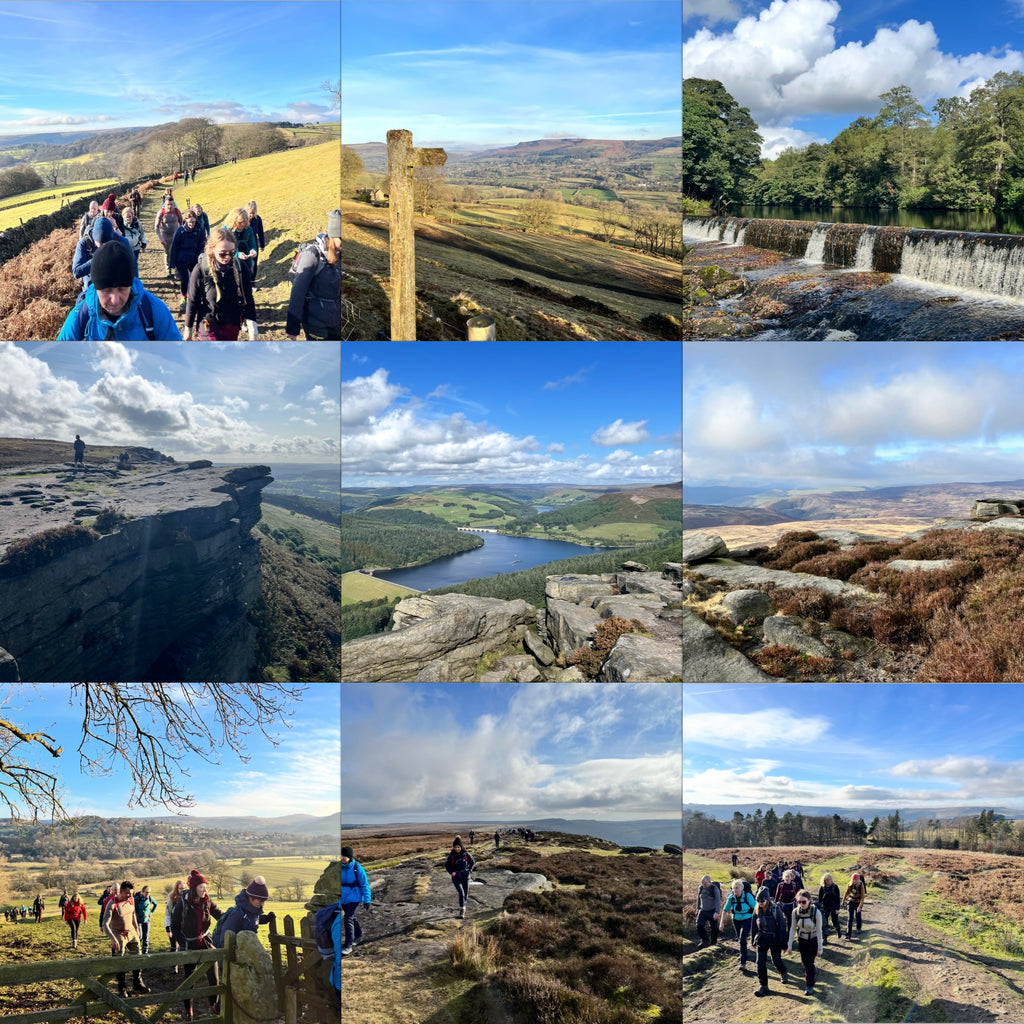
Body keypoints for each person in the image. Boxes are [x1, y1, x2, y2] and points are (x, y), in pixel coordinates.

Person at [58, 241, 181, 340]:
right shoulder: (80, 318)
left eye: (122, 289)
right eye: (107, 290)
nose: (115, 300)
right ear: (96, 288)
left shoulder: (154, 312)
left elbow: (176, 357)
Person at [183, 228, 257, 341]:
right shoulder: (200, 270)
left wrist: (253, 330)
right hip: (207, 321)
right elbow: (193, 301)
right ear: (212, 249)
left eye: (232, 253)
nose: (227, 257)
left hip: (232, 322)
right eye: (222, 254)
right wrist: (188, 330)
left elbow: (248, 298)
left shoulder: (241, 268)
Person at [171, 870, 223, 1020]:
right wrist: (182, 942)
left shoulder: (207, 901)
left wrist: (235, 918)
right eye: (201, 887)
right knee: (189, 979)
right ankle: (188, 1010)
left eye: (205, 887)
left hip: (206, 941)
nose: (204, 890)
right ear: (194, 888)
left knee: (214, 977)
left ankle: (214, 1007)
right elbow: (175, 926)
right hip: (189, 943)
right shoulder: (182, 903)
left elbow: (221, 916)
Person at [286, 210, 342, 340]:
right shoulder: (312, 256)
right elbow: (297, 293)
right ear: (333, 236)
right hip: (315, 323)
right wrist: (292, 328)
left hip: (336, 322)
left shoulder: (341, 255)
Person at [104, 880, 149, 998]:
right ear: (121, 892)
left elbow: (133, 914)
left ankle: (137, 983)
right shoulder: (112, 904)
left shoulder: (131, 900)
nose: (130, 896)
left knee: (138, 957)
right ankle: (122, 988)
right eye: (127, 893)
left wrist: (136, 928)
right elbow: (105, 924)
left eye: (131, 893)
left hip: (131, 932)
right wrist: (112, 938)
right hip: (118, 934)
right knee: (120, 961)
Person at [211, 876, 274, 946]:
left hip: (245, 948)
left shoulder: (251, 911)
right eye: (261, 901)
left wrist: (267, 918)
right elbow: (225, 939)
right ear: (251, 898)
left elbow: (252, 920)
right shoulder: (236, 914)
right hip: (231, 950)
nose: (263, 904)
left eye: (264, 901)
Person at [751, 885, 789, 997]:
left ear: (767, 899)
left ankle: (783, 973)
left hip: (774, 938)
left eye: (762, 900)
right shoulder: (756, 910)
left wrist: (784, 944)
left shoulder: (776, 910)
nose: (760, 903)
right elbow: (754, 926)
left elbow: (782, 928)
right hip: (762, 938)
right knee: (760, 963)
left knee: (776, 960)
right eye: (758, 900)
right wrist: (753, 941)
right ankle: (763, 985)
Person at [168, 209, 207, 313]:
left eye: (193, 222)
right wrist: (172, 263)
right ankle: (184, 297)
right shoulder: (180, 231)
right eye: (189, 222)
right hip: (181, 259)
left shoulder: (199, 230)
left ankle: (193, 296)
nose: (191, 224)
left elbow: (202, 244)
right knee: (185, 279)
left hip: (194, 258)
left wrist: (201, 256)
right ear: (185, 220)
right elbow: (174, 247)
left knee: (194, 279)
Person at [787, 889, 823, 996]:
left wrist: (820, 948)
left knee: (808, 963)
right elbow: (792, 929)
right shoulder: (795, 912)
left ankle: (809, 985)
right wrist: (789, 945)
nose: (801, 904)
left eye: (803, 902)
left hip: (813, 939)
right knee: (804, 962)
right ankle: (814, 971)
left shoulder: (816, 913)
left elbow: (819, 931)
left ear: (809, 901)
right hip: (802, 940)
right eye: (799, 902)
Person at [340, 846, 371, 956]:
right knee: (352, 917)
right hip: (343, 899)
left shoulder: (357, 868)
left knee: (348, 918)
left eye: (345, 856)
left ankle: (348, 946)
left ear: (350, 857)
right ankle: (358, 936)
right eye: (341, 855)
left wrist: (367, 900)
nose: (342, 858)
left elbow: (364, 884)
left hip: (355, 898)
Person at [722, 879, 756, 971]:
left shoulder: (747, 896)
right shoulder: (731, 898)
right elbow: (725, 910)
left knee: (742, 939)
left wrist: (758, 920)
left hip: (747, 919)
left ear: (741, 888)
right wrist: (721, 923)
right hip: (736, 920)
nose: (735, 890)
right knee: (740, 940)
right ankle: (743, 952)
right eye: (733, 888)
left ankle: (743, 962)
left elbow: (756, 908)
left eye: (737, 888)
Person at [221, 208, 258, 282]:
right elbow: (223, 250)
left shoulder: (249, 229)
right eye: (240, 222)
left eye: (245, 221)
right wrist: (237, 254)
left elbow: (252, 243)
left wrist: (253, 250)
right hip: (230, 262)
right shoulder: (226, 231)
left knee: (245, 278)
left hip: (246, 260)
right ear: (234, 220)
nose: (243, 224)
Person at [445, 837, 475, 919]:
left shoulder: (466, 854)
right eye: (455, 847)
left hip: (465, 876)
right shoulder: (451, 856)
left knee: (466, 894)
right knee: (461, 893)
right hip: (456, 877)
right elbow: (447, 866)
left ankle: (463, 905)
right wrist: (452, 872)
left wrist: (470, 871)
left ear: (461, 847)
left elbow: (473, 862)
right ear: (454, 848)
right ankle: (462, 910)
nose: (457, 849)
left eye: (458, 847)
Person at [155, 194, 183, 275]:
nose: (170, 206)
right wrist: (161, 238)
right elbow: (156, 227)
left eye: (171, 204)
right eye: (168, 204)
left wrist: (181, 234)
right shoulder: (161, 212)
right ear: (165, 204)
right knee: (167, 253)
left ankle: (177, 272)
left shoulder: (177, 211)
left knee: (177, 252)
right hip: (165, 236)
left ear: (174, 204)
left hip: (175, 235)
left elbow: (182, 223)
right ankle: (168, 270)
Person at [165, 879, 187, 969]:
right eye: (180, 888)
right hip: (174, 926)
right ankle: (174, 966)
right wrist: (168, 928)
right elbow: (167, 914)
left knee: (184, 945)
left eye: (184, 888)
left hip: (184, 926)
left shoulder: (187, 898)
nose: (182, 890)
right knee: (174, 946)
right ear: (176, 889)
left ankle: (185, 964)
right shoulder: (172, 898)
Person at [696, 875, 721, 949]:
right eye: (702, 884)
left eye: (705, 884)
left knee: (714, 927)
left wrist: (717, 911)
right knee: (699, 926)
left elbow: (718, 900)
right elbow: (699, 898)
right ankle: (705, 940)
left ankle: (713, 942)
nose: (704, 885)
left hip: (712, 911)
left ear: (709, 882)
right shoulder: (700, 887)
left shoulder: (714, 889)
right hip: (703, 910)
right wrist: (698, 908)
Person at [818, 872, 842, 946]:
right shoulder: (822, 888)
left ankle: (838, 930)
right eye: (827, 880)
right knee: (824, 923)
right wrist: (819, 908)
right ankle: (824, 938)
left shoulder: (835, 887)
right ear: (824, 881)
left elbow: (837, 899)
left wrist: (837, 909)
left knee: (835, 921)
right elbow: (819, 899)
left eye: (830, 879)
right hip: (825, 907)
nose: (829, 881)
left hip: (833, 906)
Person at [245, 201, 265, 287]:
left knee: (253, 264)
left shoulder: (258, 219)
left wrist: (262, 244)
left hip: (254, 243)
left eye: (253, 213)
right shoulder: (243, 220)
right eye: (250, 213)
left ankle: (252, 282)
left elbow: (260, 232)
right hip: (245, 243)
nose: (251, 215)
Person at [134, 884, 158, 955]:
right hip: (139, 920)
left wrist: (151, 913)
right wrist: (135, 914)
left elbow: (156, 904)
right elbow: (132, 906)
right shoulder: (137, 899)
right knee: (140, 936)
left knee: (146, 937)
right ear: (142, 892)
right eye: (146, 892)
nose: (148, 894)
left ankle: (145, 953)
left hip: (147, 920)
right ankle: (137, 950)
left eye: (149, 892)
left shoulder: (150, 898)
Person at [842, 873, 867, 939]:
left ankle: (858, 928)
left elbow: (863, 897)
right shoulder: (849, 884)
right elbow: (846, 892)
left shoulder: (861, 885)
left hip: (858, 902)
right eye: (853, 879)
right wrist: (843, 900)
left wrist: (860, 906)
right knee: (850, 918)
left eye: (856, 879)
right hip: (851, 901)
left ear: (858, 880)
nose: (854, 881)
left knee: (858, 915)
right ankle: (848, 934)